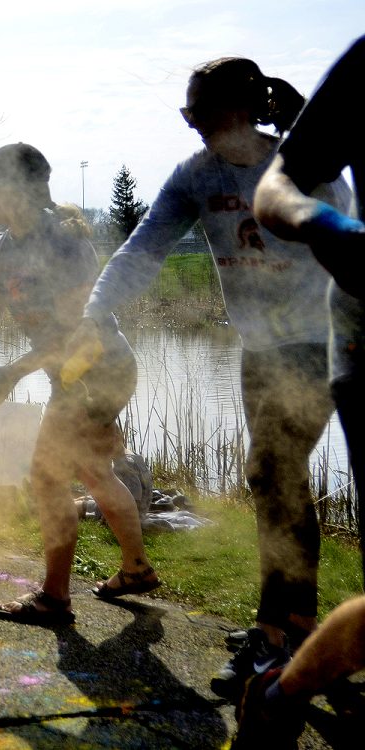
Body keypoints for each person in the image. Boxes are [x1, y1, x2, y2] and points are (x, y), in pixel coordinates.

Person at [76, 57, 352, 699]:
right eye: (187, 112)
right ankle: (300, 623)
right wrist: (95, 313)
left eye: (201, 110)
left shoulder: (298, 166)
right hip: (260, 351)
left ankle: (270, 638)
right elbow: (144, 247)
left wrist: (308, 136)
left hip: (319, 341)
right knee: (280, 484)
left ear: (243, 108)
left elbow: (342, 220)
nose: (193, 123)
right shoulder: (195, 177)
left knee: (269, 471)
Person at [0, 143, 158, 626]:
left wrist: (13, 373)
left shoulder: (66, 243)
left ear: (23, 190)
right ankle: (136, 569)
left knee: (49, 477)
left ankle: (54, 600)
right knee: (93, 472)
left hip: (100, 369)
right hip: (71, 376)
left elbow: (74, 331)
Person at [236, 36, 365, 749]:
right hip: (337, 340)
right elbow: (290, 194)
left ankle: (288, 643)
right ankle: (282, 654)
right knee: (270, 474)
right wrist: (329, 227)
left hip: (309, 346)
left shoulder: (325, 171)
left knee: (276, 473)